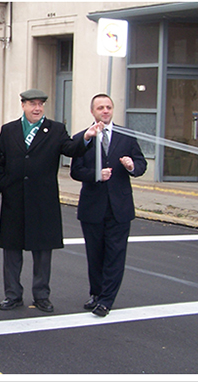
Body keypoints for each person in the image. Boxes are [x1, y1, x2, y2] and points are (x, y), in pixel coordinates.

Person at [0, 89, 101, 313]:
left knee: (42, 253)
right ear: (23, 106)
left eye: (40, 104)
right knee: (12, 251)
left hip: (43, 200)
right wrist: (2, 183)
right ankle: (12, 295)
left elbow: (70, 149)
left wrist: (86, 137)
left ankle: (41, 296)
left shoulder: (56, 129)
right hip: (15, 198)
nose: (37, 108)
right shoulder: (9, 130)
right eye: (32, 104)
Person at [70, 94, 147, 317]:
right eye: (100, 108)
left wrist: (132, 166)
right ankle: (96, 293)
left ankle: (106, 300)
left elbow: (141, 165)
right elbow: (75, 171)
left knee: (115, 254)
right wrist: (96, 175)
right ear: (93, 112)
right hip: (92, 207)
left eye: (108, 107)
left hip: (119, 207)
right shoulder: (83, 138)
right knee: (95, 254)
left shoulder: (126, 136)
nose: (105, 111)